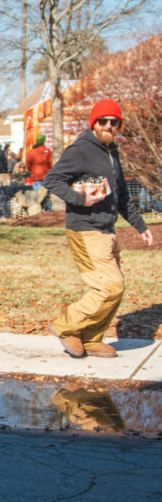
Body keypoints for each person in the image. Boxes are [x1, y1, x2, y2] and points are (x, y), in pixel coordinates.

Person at [42, 99, 153, 359]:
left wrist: (140, 226)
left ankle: (91, 338)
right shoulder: (81, 149)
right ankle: (65, 325)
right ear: (94, 123)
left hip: (106, 230)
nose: (109, 126)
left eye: (114, 122)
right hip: (85, 229)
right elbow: (52, 179)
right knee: (109, 287)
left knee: (116, 287)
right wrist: (80, 199)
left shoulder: (111, 152)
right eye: (103, 121)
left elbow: (122, 196)